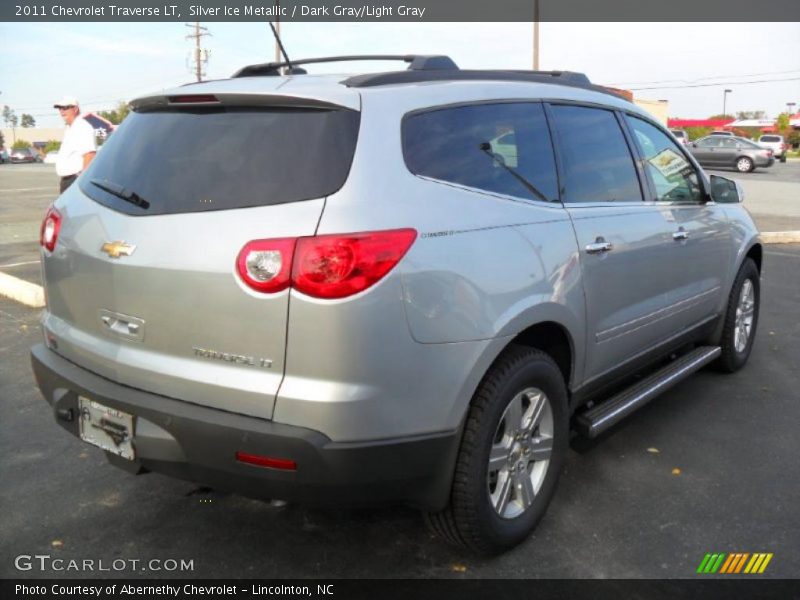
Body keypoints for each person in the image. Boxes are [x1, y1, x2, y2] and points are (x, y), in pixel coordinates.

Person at [53, 96, 97, 192]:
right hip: (67, 181)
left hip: (75, 180)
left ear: (75, 109)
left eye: (65, 108)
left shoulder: (82, 127)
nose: (62, 111)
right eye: (60, 108)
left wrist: (82, 183)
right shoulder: (70, 128)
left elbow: (90, 155)